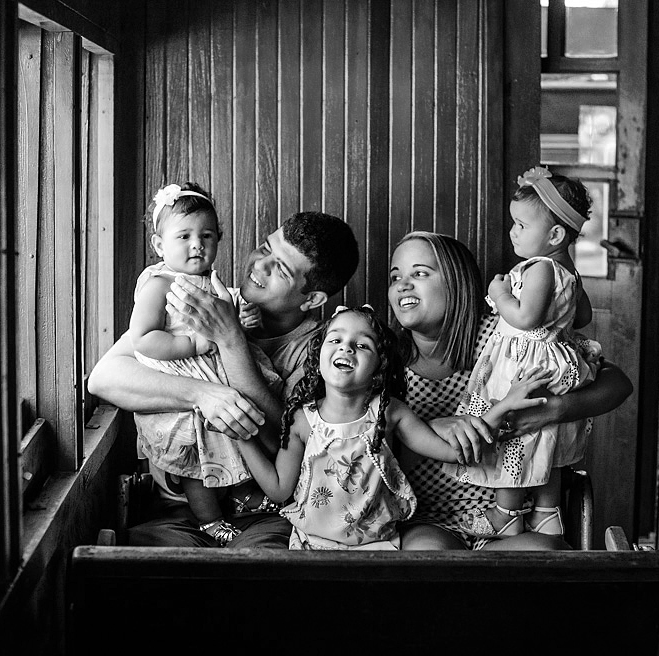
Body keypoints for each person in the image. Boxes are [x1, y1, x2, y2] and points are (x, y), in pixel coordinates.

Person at [86, 211, 360, 548]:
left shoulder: (324, 350)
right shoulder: (210, 301)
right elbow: (104, 378)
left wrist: (231, 341)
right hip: (181, 508)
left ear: (312, 299)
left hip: (271, 515)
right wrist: (203, 395)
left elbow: (289, 445)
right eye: (264, 248)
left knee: (261, 569)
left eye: (282, 269)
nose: (260, 266)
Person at [388, 230, 633, 551]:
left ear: (456, 283)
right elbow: (372, 450)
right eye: (395, 277)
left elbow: (617, 383)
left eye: (419, 273)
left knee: (542, 555)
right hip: (430, 518)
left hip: (517, 519)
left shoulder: (506, 334)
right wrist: (429, 430)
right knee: (427, 556)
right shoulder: (386, 359)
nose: (403, 284)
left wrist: (554, 409)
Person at [236, 306, 549, 550]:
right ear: (318, 356)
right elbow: (278, 489)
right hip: (310, 547)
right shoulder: (303, 420)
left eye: (363, 345)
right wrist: (243, 440)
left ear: (379, 368)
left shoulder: (389, 413)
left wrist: (504, 406)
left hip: (380, 547)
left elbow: (453, 452)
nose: (347, 348)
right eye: (336, 339)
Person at [444, 166, 599, 541]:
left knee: (512, 433)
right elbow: (584, 315)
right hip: (551, 361)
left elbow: (526, 318)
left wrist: (501, 296)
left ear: (556, 234)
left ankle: (506, 512)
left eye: (521, 225)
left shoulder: (540, 269)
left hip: (522, 365)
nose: (513, 231)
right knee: (545, 435)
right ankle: (547, 513)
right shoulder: (568, 271)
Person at [126, 182, 273, 545]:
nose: (197, 244)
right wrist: (191, 342)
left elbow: (227, 325)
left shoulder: (210, 282)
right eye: (184, 236)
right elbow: (142, 338)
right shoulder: (159, 284)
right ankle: (208, 519)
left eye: (207, 235)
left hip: (218, 379)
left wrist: (242, 320)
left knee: (237, 433)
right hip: (182, 383)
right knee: (196, 454)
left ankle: (241, 494)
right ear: (160, 245)